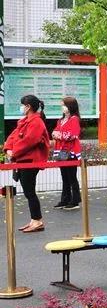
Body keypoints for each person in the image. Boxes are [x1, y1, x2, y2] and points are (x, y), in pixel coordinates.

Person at [4, 94, 49, 232]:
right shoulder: (25, 121)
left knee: (29, 191)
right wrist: (8, 148)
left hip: (30, 161)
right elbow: (13, 136)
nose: (21, 107)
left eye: (23, 105)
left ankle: (37, 220)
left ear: (28, 107)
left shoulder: (36, 122)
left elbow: (29, 140)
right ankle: (34, 220)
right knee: (29, 191)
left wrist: (14, 152)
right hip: (23, 160)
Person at [52, 96, 82, 210]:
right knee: (64, 176)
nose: (62, 107)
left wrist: (59, 135)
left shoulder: (74, 119)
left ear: (70, 106)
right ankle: (65, 199)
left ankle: (75, 200)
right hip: (61, 151)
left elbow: (72, 135)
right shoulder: (61, 120)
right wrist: (57, 134)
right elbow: (54, 132)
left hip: (71, 151)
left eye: (63, 105)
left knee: (71, 176)